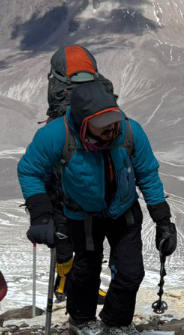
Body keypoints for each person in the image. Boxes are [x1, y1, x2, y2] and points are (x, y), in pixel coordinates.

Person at [17, 78, 177, 335]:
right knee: (86, 269)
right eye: (102, 126)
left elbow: (148, 174)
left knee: (131, 271)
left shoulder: (130, 131)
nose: (111, 130)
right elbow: (29, 170)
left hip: (124, 211)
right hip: (82, 215)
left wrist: (163, 221)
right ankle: (80, 320)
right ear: (82, 122)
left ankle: (116, 322)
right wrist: (41, 215)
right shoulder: (56, 135)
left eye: (113, 122)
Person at [44, 45, 117, 305]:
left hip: (62, 189)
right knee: (89, 241)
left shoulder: (58, 114)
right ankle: (78, 288)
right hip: (94, 186)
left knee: (68, 235)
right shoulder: (101, 92)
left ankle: (67, 286)